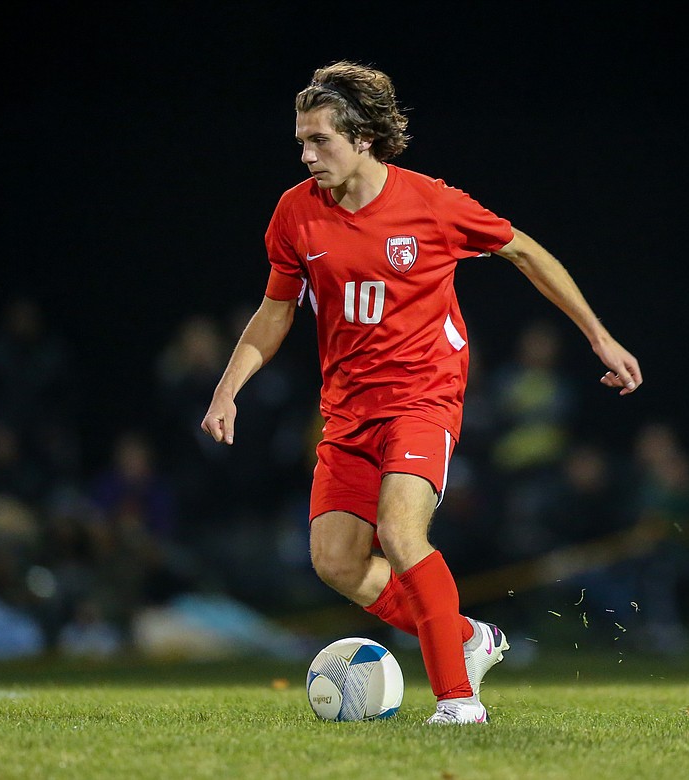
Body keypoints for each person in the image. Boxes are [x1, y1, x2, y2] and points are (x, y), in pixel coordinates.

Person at [200, 62, 641, 725]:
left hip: (423, 397)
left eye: (320, 140)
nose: (306, 154)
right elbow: (275, 311)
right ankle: (466, 638)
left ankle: (459, 704)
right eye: (301, 141)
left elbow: (527, 253)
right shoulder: (295, 213)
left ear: (363, 138)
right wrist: (227, 389)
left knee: (401, 533)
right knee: (337, 562)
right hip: (346, 409)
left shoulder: (431, 204)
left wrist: (598, 336)